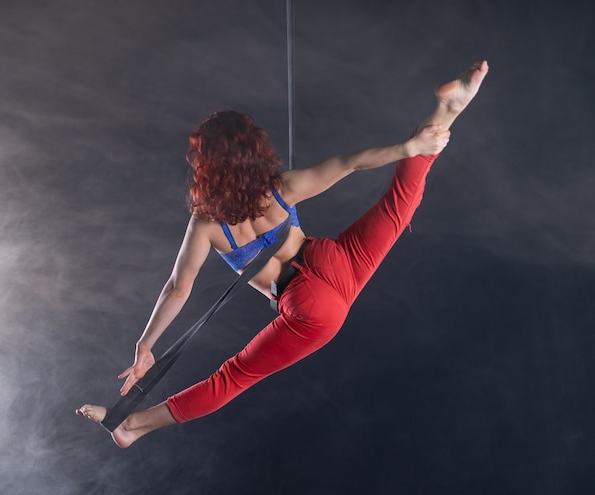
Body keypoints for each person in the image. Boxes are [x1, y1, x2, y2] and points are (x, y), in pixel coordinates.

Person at [77, 60, 489, 448]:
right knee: (399, 204)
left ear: (204, 166)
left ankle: (131, 425)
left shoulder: (205, 225)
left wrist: (146, 345)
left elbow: (177, 288)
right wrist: (408, 146)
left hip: (309, 307)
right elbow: (350, 163)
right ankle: (447, 109)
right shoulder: (279, 188)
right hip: (332, 260)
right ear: (252, 152)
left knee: (234, 377)